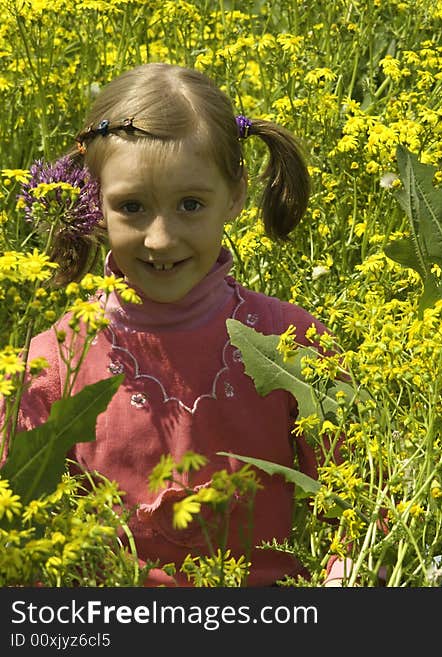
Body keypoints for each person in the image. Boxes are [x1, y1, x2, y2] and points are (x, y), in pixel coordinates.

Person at [2, 63, 349, 586]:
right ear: (93, 205)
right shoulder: (55, 365)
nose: (161, 239)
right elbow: (18, 534)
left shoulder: (290, 341)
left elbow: (364, 501)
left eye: (190, 205)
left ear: (234, 196)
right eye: (133, 207)